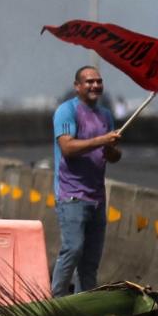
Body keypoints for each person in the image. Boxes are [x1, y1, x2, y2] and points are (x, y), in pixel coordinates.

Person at [51, 65, 122, 297]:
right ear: (77, 86)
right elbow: (68, 148)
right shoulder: (66, 111)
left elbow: (113, 156)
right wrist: (102, 140)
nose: (95, 86)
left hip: (97, 198)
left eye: (98, 81)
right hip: (71, 195)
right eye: (89, 82)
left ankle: (84, 307)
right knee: (73, 249)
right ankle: (56, 300)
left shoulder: (105, 116)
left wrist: (111, 148)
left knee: (90, 261)